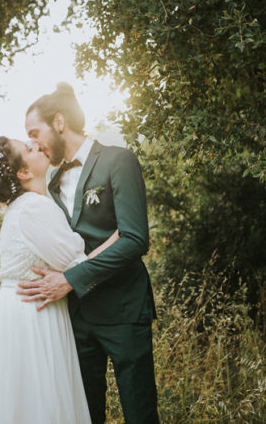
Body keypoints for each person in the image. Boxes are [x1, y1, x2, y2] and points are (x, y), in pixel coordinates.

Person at [0, 136, 119, 424]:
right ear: (23, 173)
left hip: (19, 311)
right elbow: (77, 265)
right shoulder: (34, 208)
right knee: (35, 405)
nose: (36, 145)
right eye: (28, 148)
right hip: (29, 318)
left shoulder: (25, 206)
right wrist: (117, 239)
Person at [18, 83, 159, 424]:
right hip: (77, 318)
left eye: (35, 132)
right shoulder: (50, 185)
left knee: (140, 413)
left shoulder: (117, 160)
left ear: (60, 122)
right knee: (84, 414)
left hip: (124, 310)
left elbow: (135, 238)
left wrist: (70, 279)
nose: (34, 143)